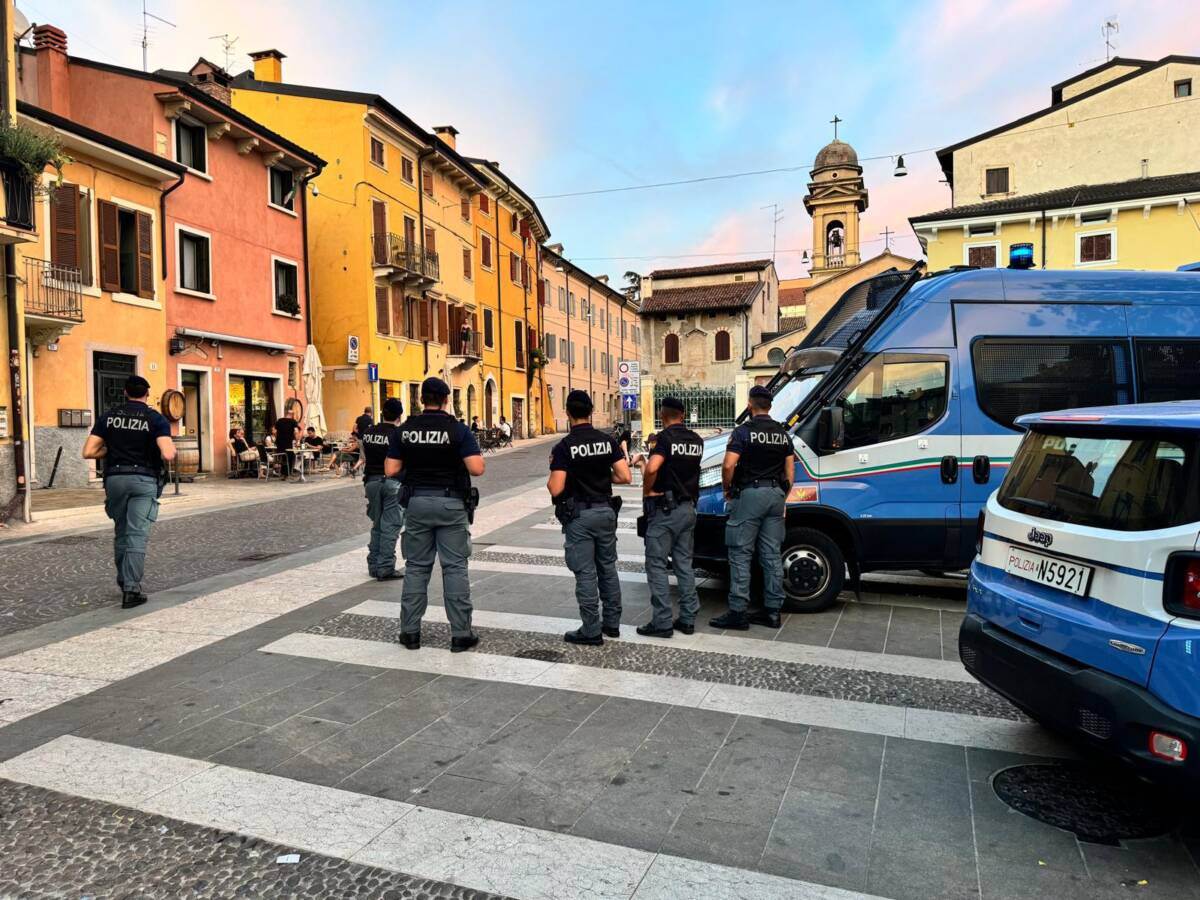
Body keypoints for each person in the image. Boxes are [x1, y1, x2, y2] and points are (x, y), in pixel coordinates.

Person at [385, 376, 484, 652]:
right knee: (454, 568)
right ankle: (461, 634)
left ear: (421, 400)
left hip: (416, 503)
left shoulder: (405, 430)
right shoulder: (458, 430)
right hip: (451, 503)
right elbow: (477, 468)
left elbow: (391, 470)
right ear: (446, 400)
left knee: (416, 567)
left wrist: (413, 472)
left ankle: (410, 632)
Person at [82, 374, 176, 609]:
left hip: (115, 479)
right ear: (147, 394)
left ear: (125, 392)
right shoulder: (155, 419)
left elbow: (88, 451)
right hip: (143, 480)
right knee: (136, 535)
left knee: (122, 531)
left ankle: (124, 581)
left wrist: (110, 452)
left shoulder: (109, 417)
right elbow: (167, 454)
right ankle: (131, 590)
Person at [547, 389, 631, 645]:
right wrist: (604, 477)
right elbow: (625, 476)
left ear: (568, 413)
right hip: (605, 511)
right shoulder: (607, 441)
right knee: (608, 568)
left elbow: (556, 488)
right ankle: (613, 624)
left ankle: (591, 630)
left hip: (580, 515)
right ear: (592, 411)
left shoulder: (564, 447)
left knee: (585, 573)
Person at [710, 385, 795, 630]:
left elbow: (728, 465)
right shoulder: (782, 433)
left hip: (749, 495)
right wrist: (782, 496)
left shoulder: (743, 432)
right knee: (771, 554)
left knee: (740, 553)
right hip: (776, 495)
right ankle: (772, 612)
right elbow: (790, 472)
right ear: (770, 406)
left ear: (750, 405)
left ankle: (738, 611)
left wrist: (727, 490)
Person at [637, 397, 704, 638]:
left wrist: (648, 490)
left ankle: (662, 622)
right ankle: (687, 618)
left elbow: (653, 467)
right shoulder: (697, 440)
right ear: (683, 415)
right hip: (688, 509)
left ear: (662, 414)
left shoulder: (665, 439)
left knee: (656, 565)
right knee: (684, 564)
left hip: (665, 511)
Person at [361, 398, 405, 581]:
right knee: (391, 526)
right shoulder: (398, 434)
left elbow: (364, 454)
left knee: (377, 524)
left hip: (371, 481)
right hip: (392, 482)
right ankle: (385, 567)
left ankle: (373, 564)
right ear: (399, 416)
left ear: (382, 413)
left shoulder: (369, 432)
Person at [274, 412, 301, 479]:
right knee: (291, 457)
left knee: (283, 457)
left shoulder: (279, 420)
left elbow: (274, 431)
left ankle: (283, 473)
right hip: (288, 443)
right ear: (292, 415)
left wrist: (277, 438)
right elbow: (296, 431)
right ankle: (288, 473)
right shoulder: (293, 421)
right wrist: (297, 441)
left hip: (279, 444)